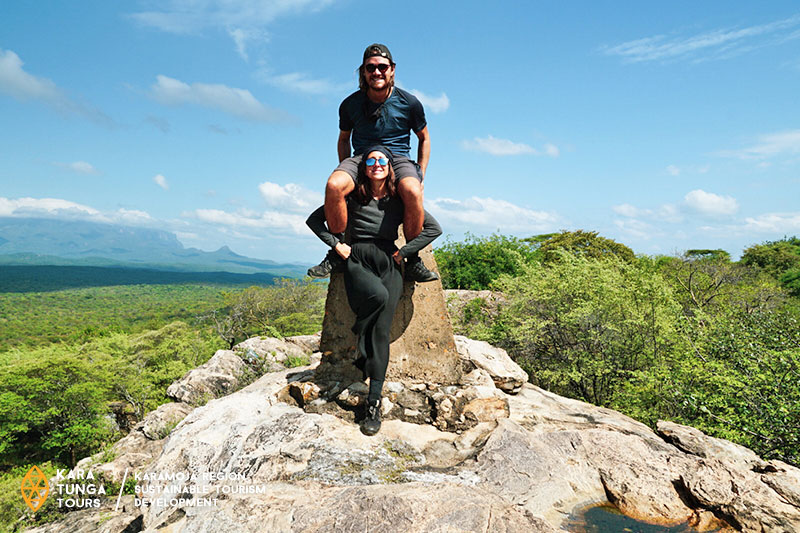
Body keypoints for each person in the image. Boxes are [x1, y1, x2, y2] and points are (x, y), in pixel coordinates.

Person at [306, 146, 442, 435]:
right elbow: (314, 221)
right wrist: (336, 244)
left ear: (390, 167)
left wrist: (406, 250)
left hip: (389, 263)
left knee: (382, 333)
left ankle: (373, 402)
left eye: (382, 160)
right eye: (371, 160)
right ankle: (361, 353)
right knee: (377, 297)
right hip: (357, 260)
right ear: (364, 167)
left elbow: (433, 228)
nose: (376, 164)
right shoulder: (353, 196)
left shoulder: (397, 199)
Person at [307, 43, 437, 283]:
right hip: (362, 157)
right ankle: (338, 250)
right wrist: (349, 173)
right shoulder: (350, 104)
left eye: (382, 67)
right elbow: (344, 139)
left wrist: (420, 173)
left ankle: (413, 259)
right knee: (335, 185)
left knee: (412, 189)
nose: (376, 72)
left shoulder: (409, 103)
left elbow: (424, 138)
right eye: (370, 68)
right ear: (363, 72)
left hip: (397, 158)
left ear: (392, 70)